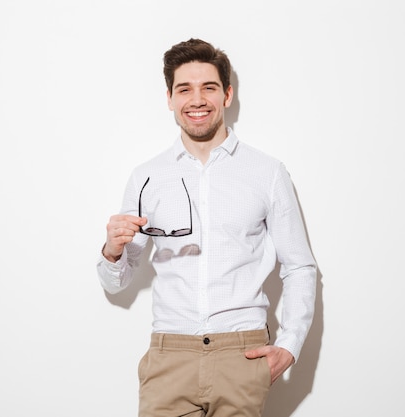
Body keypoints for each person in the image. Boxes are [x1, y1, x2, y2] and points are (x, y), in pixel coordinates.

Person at [97, 38, 317, 417]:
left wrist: (289, 346)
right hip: (169, 357)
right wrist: (112, 251)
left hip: (241, 355)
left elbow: (300, 266)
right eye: (184, 89)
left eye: (209, 87)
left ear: (227, 94)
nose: (196, 100)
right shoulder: (146, 177)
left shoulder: (267, 173)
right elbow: (116, 281)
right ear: (169, 97)